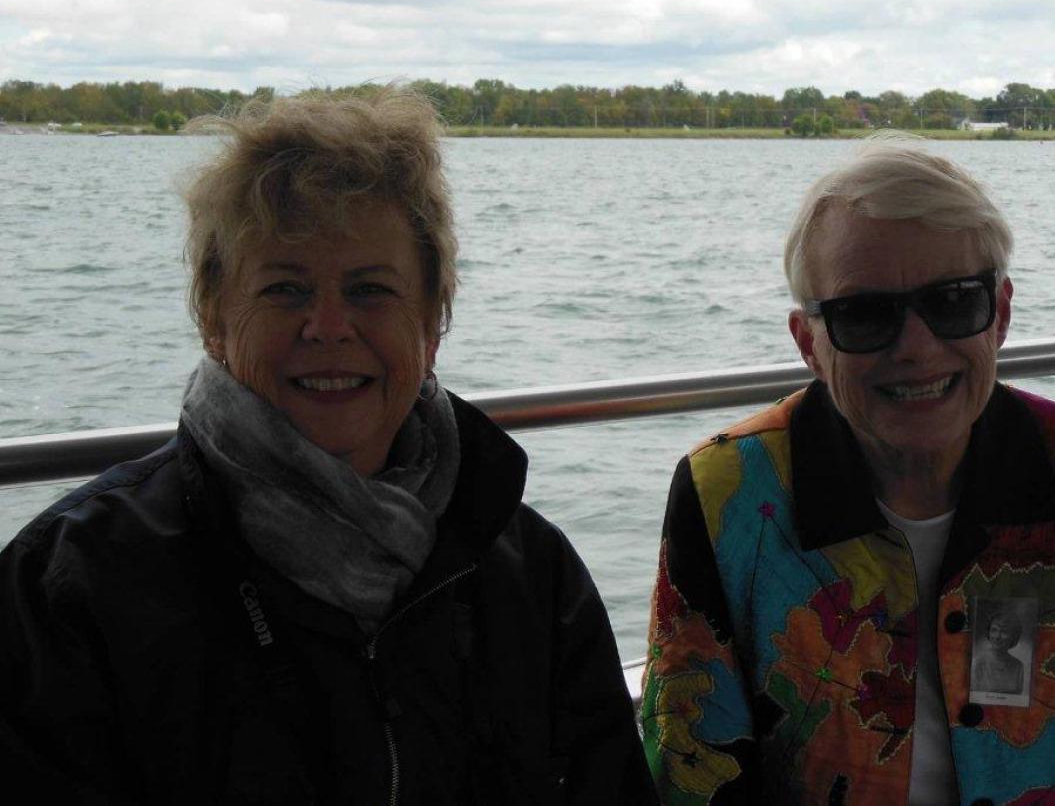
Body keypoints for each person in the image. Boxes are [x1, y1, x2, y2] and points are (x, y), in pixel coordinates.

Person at [0, 87, 652, 804]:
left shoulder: (532, 574)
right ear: (214, 318)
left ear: (432, 322)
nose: (330, 326)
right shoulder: (71, 586)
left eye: (370, 290)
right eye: (285, 289)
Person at [641, 141, 1055, 804]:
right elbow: (693, 773)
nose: (916, 347)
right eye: (864, 314)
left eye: (955, 301)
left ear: (1001, 314)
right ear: (809, 343)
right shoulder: (726, 493)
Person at [971, 611, 1024, 696]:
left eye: (1004, 632)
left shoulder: (1018, 666)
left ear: (1013, 636)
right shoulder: (977, 663)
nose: (997, 636)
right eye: (994, 630)